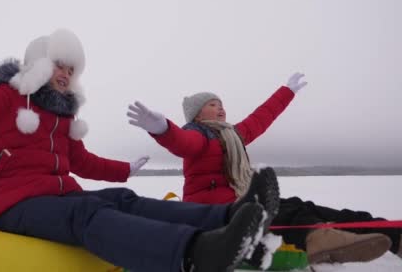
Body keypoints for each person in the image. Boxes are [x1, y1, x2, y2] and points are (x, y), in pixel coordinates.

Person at [0, 28, 280, 272]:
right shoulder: (6, 99)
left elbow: (81, 162)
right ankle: (194, 253)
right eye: (59, 65)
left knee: (122, 202)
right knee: (87, 215)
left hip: (59, 195)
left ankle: (230, 218)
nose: (66, 75)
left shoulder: (62, 117)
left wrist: (124, 169)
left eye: (72, 69)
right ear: (38, 64)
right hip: (13, 202)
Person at [127, 73, 401, 265]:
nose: (221, 109)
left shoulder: (234, 135)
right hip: (217, 214)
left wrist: (287, 91)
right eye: (213, 105)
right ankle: (319, 240)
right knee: (288, 211)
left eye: (222, 104)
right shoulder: (198, 136)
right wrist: (162, 129)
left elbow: (262, 117)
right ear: (198, 114)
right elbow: (180, 142)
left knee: (301, 205)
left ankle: (390, 232)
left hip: (244, 202)